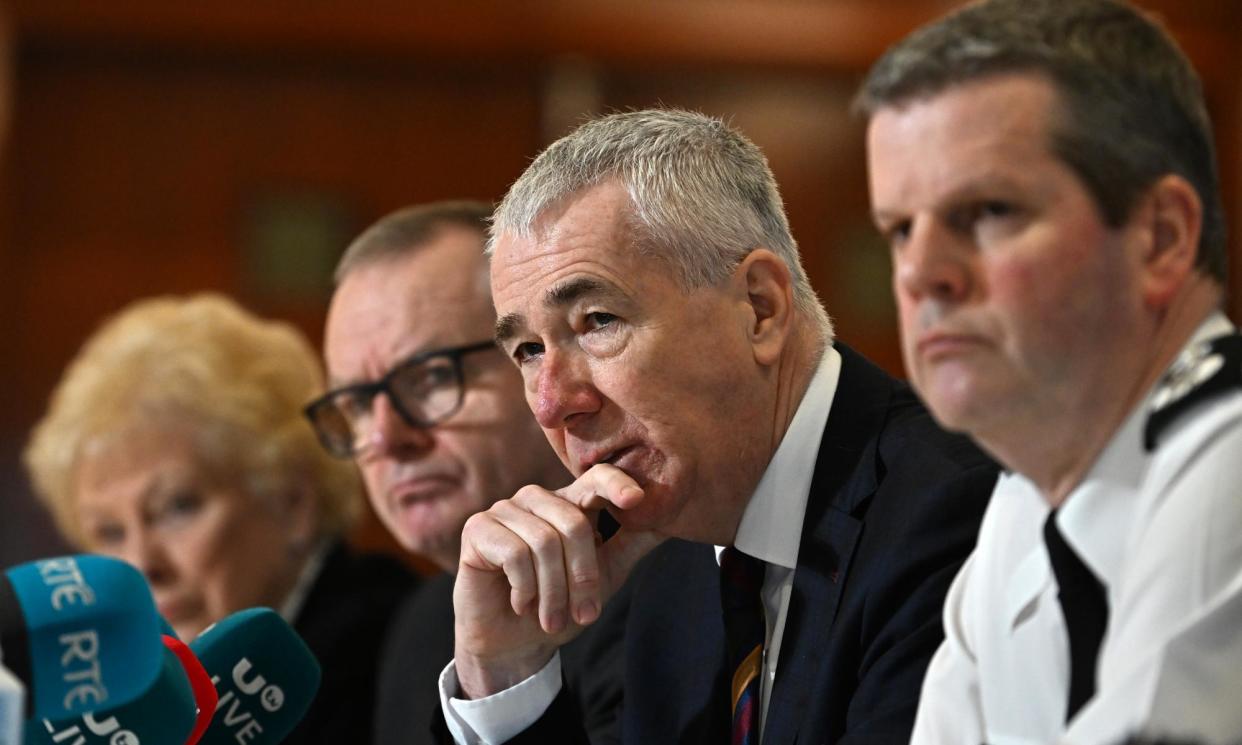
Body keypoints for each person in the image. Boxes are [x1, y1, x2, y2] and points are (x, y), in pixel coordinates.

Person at [434, 109, 998, 744]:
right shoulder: (668, 567)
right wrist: (507, 673)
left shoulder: (957, 515)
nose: (550, 404)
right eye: (529, 351)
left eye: (597, 321)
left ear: (760, 308)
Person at [857, 1, 1242, 743]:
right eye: (901, 228)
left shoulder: (1226, 459)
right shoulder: (1022, 500)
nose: (920, 272)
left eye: (988, 210)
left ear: (1160, 238)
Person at [23, 293, 414, 745]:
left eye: (177, 507)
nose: (142, 565)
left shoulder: (395, 651)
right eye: (109, 532)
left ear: (293, 502)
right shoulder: (134, 703)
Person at [312, 201, 627, 745]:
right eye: (359, 403)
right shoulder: (420, 627)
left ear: (535, 360)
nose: (387, 439)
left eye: (431, 378)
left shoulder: (674, 587)